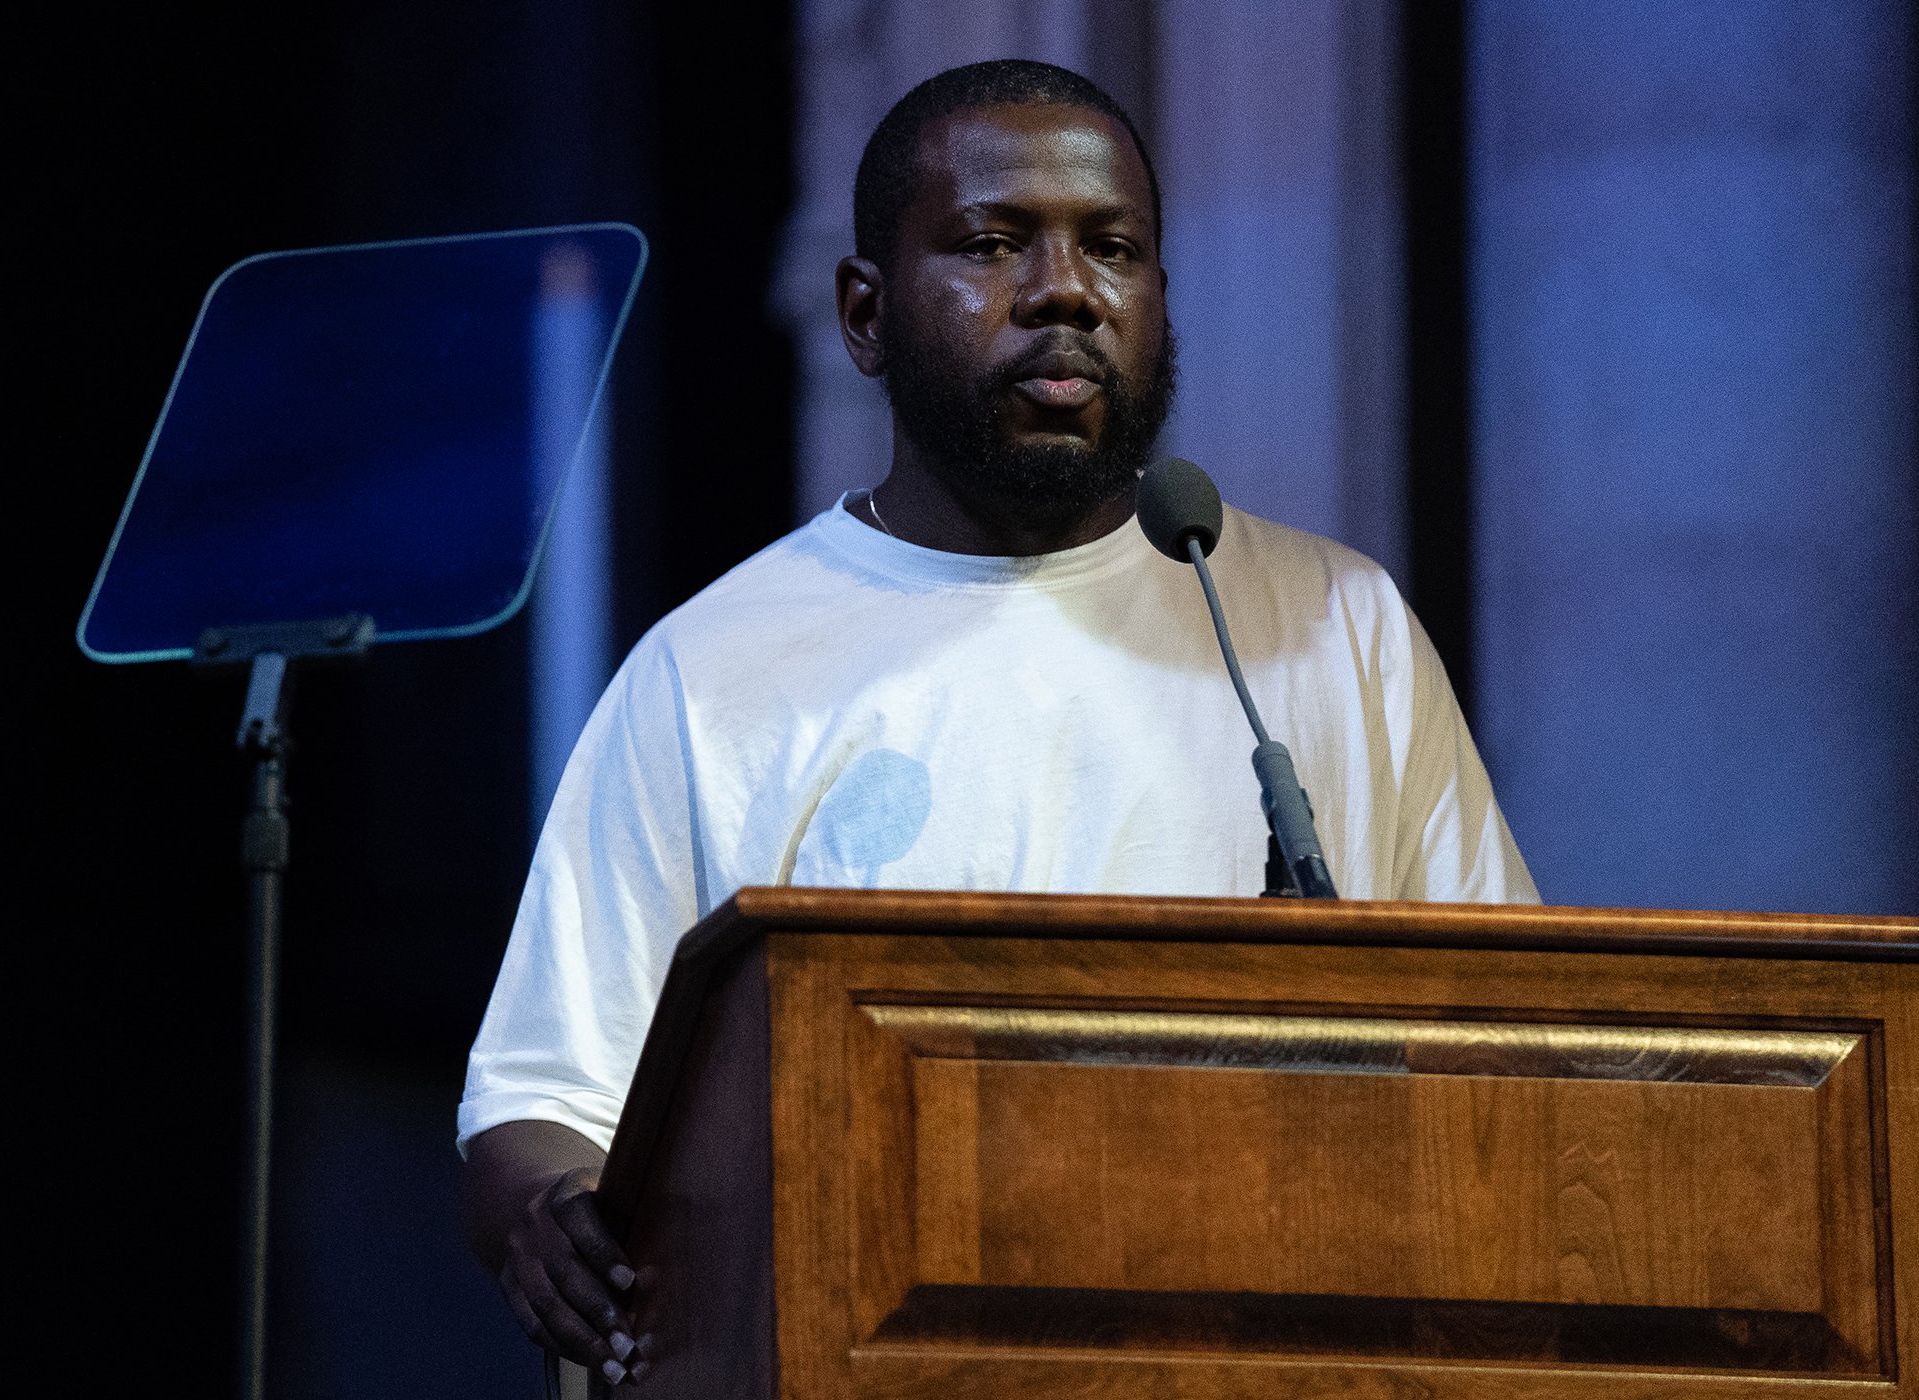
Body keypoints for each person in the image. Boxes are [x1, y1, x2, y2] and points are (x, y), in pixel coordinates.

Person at [460, 59, 1537, 1383]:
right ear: (863, 314)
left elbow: (1510, 1043)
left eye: (1114, 248)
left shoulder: (1329, 627)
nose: (1065, 291)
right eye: (991, 243)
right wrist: (554, 1219)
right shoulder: (713, 669)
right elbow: (540, 1103)